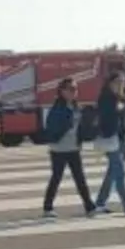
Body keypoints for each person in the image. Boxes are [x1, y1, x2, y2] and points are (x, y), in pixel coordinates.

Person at [41, 78, 96, 218]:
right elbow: (52, 128)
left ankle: (89, 206)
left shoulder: (76, 107)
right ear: (62, 91)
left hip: (73, 148)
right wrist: (67, 125)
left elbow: (80, 127)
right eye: (70, 89)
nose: (74, 92)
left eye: (75, 89)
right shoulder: (57, 108)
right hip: (59, 149)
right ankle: (48, 207)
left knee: (80, 178)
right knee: (56, 178)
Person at [93, 71, 125, 216]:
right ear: (110, 83)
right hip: (109, 138)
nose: (121, 85)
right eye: (118, 82)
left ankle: (100, 203)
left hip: (120, 138)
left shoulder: (121, 99)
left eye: (123, 82)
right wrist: (123, 111)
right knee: (119, 171)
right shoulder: (106, 98)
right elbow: (109, 118)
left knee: (112, 173)